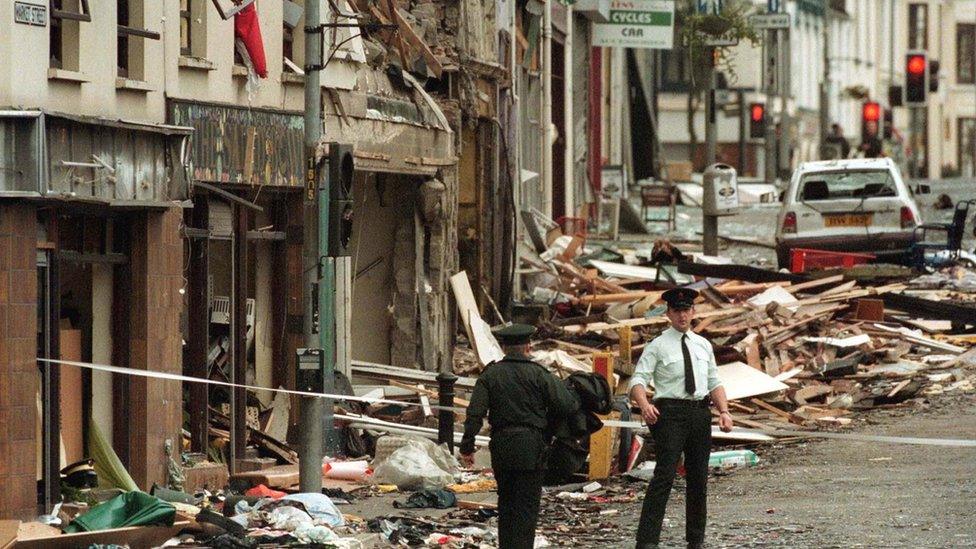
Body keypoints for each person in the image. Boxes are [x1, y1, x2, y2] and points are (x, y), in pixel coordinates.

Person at [630, 288, 734, 549]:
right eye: (677, 311)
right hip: (671, 415)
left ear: (693, 312)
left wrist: (724, 411)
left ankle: (695, 540)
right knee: (664, 476)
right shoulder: (658, 345)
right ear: (668, 314)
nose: (682, 316)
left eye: (686, 310)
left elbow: (714, 381)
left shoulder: (703, 345)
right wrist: (644, 405)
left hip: (699, 413)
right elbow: (638, 380)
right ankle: (647, 541)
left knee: (698, 478)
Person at [459, 324, 578, 549]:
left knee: (506, 503)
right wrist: (550, 429)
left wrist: (467, 446)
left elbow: (475, 413)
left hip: (503, 447)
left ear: (504, 348)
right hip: (532, 447)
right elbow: (566, 405)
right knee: (527, 507)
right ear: (528, 347)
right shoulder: (540, 375)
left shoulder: (490, 374)